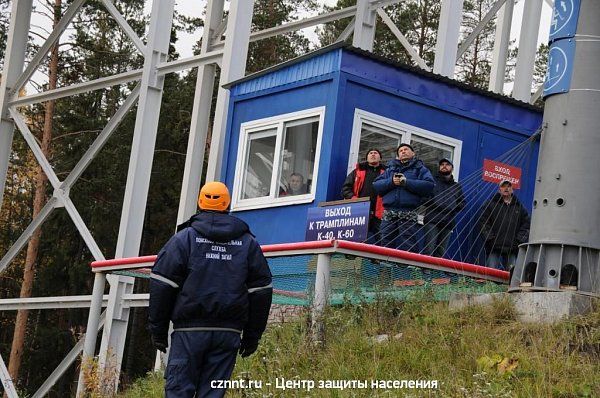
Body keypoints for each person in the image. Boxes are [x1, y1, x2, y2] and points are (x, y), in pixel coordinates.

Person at [148, 181, 273, 398]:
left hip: (189, 332)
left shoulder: (183, 239)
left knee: (179, 392)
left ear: (199, 202)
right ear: (228, 204)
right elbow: (261, 291)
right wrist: (253, 336)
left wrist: (158, 330)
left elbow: (162, 284)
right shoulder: (248, 243)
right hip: (228, 335)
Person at [373, 143, 435, 251]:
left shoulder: (420, 169)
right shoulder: (390, 169)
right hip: (389, 213)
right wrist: (391, 181)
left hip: (409, 213)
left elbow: (429, 186)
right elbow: (376, 185)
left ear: (413, 153)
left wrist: (406, 182)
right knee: (385, 243)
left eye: (406, 149)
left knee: (409, 245)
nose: (403, 151)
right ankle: (384, 268)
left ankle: (407, 268)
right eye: (400, 151)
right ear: (398, 155)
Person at [479, 179, 530, 271]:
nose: (506, 188)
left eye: (509, 186)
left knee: (511, 276)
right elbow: (483, 221)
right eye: (503, 186)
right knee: (491, 274)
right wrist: (490, 238)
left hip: (512, 247)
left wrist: (518, 241)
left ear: (512, 190)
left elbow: (526, 224)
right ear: (499, 190)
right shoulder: (490, 204)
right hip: (494, 246)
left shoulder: (519, 207)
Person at [341, 148, 386, 243]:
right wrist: (354, 199)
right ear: (367, 157)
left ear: (380, 158)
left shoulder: (387, 172)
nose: (373, 154)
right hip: (360, 210)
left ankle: (379, 258)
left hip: (380, 212)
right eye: (370, 153)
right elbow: (345, 189)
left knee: (383, 239)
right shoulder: (357, 171)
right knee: (356, 239)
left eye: (376, 153)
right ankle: (351, 257)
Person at [423, 158, 465, 257]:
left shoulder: (456, 186)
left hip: (448, 222)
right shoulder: (432, 181)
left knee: (440, 252)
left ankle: (434, 272)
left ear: (452, 168)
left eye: (447, 164)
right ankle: (423, 271)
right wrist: (435, 203)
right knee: (429, 249)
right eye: (442, 164)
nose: (444, 166)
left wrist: (453, 207)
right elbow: (423, 198)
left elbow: (463, 203)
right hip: (432, 220)